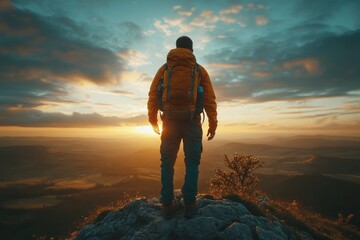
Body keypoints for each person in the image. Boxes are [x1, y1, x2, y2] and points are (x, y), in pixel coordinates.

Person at [147, 36, 217, 218]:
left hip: (169, 121)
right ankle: (190, 203)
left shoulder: (164, 69)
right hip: (192, 122)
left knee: (167, 162)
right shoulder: (199, 71)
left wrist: (152, 119)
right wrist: (213, 123)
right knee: (192, 162)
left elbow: (153, 95)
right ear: (192, 50)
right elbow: (209, 99)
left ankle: (167, 203)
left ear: (176, 48)